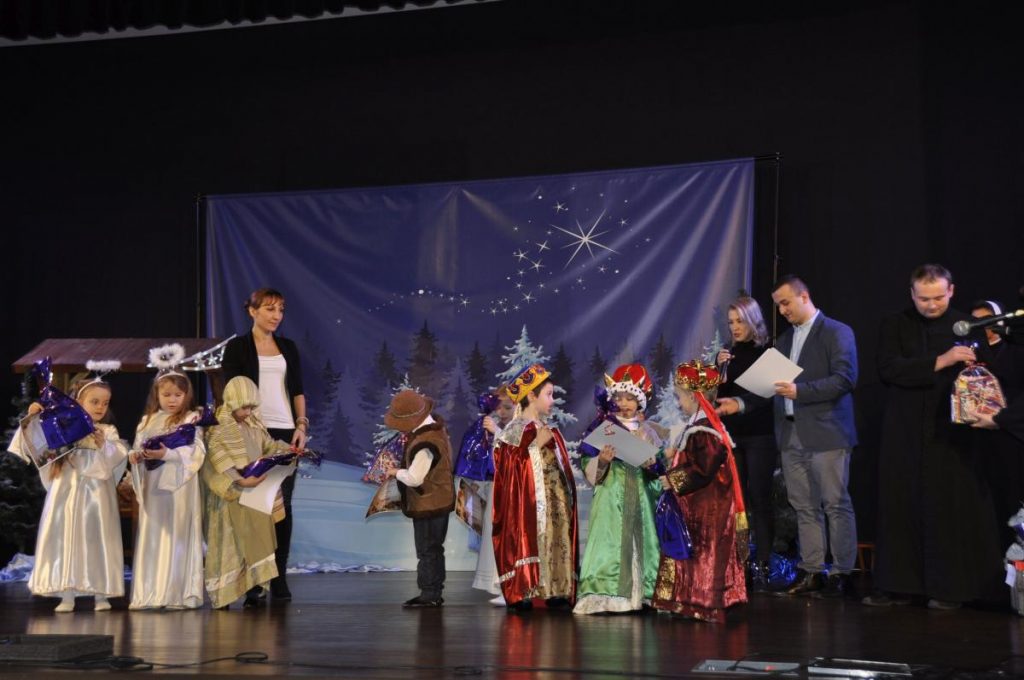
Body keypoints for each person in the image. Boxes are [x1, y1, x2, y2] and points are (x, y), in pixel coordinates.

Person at [866, 265, 1002, 610]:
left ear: (951, 291)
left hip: (952, 433)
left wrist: (975, 369)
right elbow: (888, 369)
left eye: (939, 297)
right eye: (924, 299)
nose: (931, 305)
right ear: (912, 294)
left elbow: (988, 374)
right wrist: (941, 360)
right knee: (902, 505)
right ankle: (900, 586)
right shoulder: (895, 324)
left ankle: (951, 589)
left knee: (950, 507)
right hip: (906, 430)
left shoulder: (967, 325)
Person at [717, 275, 859, 599]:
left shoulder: (837, 332)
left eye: (785, 303)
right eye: (778, 306)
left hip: (827, 433)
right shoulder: (783, 341)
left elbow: (845, 379)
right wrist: (738, 403)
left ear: (804, 296)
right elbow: (766, 389)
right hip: (791, 434)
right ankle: (813, 571)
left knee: (835, 503)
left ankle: (842, 573)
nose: (781, 310)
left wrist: (800, 391)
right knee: (803, 506)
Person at [9, 373, 127, 612]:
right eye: (95, 402)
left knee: (97, 539)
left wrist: (104, 445)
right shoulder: (60, 426)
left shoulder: (107, 431)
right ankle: (67, 593)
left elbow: (118, 456)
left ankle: (101, 593)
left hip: (97, 498)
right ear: (78, 402)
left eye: (105, 403)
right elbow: (32, 442)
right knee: (65, 539)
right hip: (66, 493)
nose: (101, 407)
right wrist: (34, 416)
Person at [222, 287, 308, 601]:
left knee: (283, 506)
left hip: (285, 432)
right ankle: (256, 581)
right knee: (255, 506)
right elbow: (231, 394)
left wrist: (301, 425)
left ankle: (280, 577)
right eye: (270, 309)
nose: (276, 316)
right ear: (253, 311)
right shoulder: (237, 347)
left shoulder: (288, 347)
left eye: (280, 310)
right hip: (252, 433)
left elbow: (298, 390)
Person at [651, 360, 747, 622]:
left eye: (681, 397)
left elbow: (704, 468)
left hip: (708, 506)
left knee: (706, 551)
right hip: (699, 503)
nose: (679, 402)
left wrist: (674, 479)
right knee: (694, 549)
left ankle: (705, 601)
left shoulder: (705, 431)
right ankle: (690, 600)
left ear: (694, 397)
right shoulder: (700, 426)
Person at [574, 363, 664, 615]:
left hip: (641, 498)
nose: (624, 403)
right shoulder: (604, 429)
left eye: (630, 398)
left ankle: (642, 594)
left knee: (643, 541)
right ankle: (607, 594)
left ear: (640, 402)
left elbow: (660, 469)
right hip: (610, 497)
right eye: (619, 398)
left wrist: (651, 463)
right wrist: (602, 460)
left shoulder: (648, 432)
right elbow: (587, 463)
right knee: (609, 541)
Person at [492, 364, 578, 612]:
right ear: (531, 396)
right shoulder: (515, 429)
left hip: (554, 501)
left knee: (554, 537)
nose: (552, 400)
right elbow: (508, 472)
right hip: (528, 502)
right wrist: (534, 447)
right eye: (548, 394)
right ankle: (523, 589)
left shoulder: (549, 430)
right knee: (529, 537)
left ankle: (555, 588)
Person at [202, 376, 292, 610]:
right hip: (230, 500)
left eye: (252, 407)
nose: (248, 412)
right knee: (231, 547)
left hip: (255, 499)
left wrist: (287, 450)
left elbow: (269, 447)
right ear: (232, 402)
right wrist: (240, 481)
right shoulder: (218, 429)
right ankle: (224, 595)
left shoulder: (254, 427)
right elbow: (214, 464)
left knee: (256, 545)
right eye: (244, 407)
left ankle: (254, 591)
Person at [128, 365, 206, 609]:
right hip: (154, 486)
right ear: (157, 395)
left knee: (178, 534)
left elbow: (197, 451)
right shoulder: (147, 421)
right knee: (155, 534)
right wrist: (136, 456)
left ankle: (177, 594)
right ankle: (150, 593)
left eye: (178, 395)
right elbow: (137, 447)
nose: (172, 400)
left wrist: (167, 454)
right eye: (167, 395)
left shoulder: (191, 419)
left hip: (180, 487)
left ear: (186, 395)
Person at [716, 294, 778, 590]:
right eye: (731, 322)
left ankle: (763, 563)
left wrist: (739, 403)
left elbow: (766, 395)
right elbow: (718, 397)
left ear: (753, 320)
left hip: (760, 435)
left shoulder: (768, 352)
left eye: (740, 321)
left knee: (759, 498)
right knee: (738, 501)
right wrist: (718, 369)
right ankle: (740, 563)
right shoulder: (728, 354)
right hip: (733, 436)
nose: (735, 327)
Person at [382, 389, 455, 608]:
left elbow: (414, 478)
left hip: (429, 503)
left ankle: (429, 593)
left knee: (427, 549)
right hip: (437, 500)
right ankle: (433, 591)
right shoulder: (436, 431)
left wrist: (395, 472)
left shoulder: (426, 442)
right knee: (434, 549)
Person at [968, 300, 1024, 544]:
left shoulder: (1016, 349)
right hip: (978, 436)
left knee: (1012, 499)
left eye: (987, 321)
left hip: (1011, 434)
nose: (983, 327)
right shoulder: (968, 352)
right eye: (976, 322)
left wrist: (1001, 418)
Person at [465, 390, 515, 605]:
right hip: (497, 486)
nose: (501, 412)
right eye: (499, 407)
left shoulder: (520, 427)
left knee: (507, 533)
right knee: (493, 531)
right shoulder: (498, 428)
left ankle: (510, 583)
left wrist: (497, 432)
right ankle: (498, 583)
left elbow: (517, 454)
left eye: (507, 407)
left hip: (513, 488)